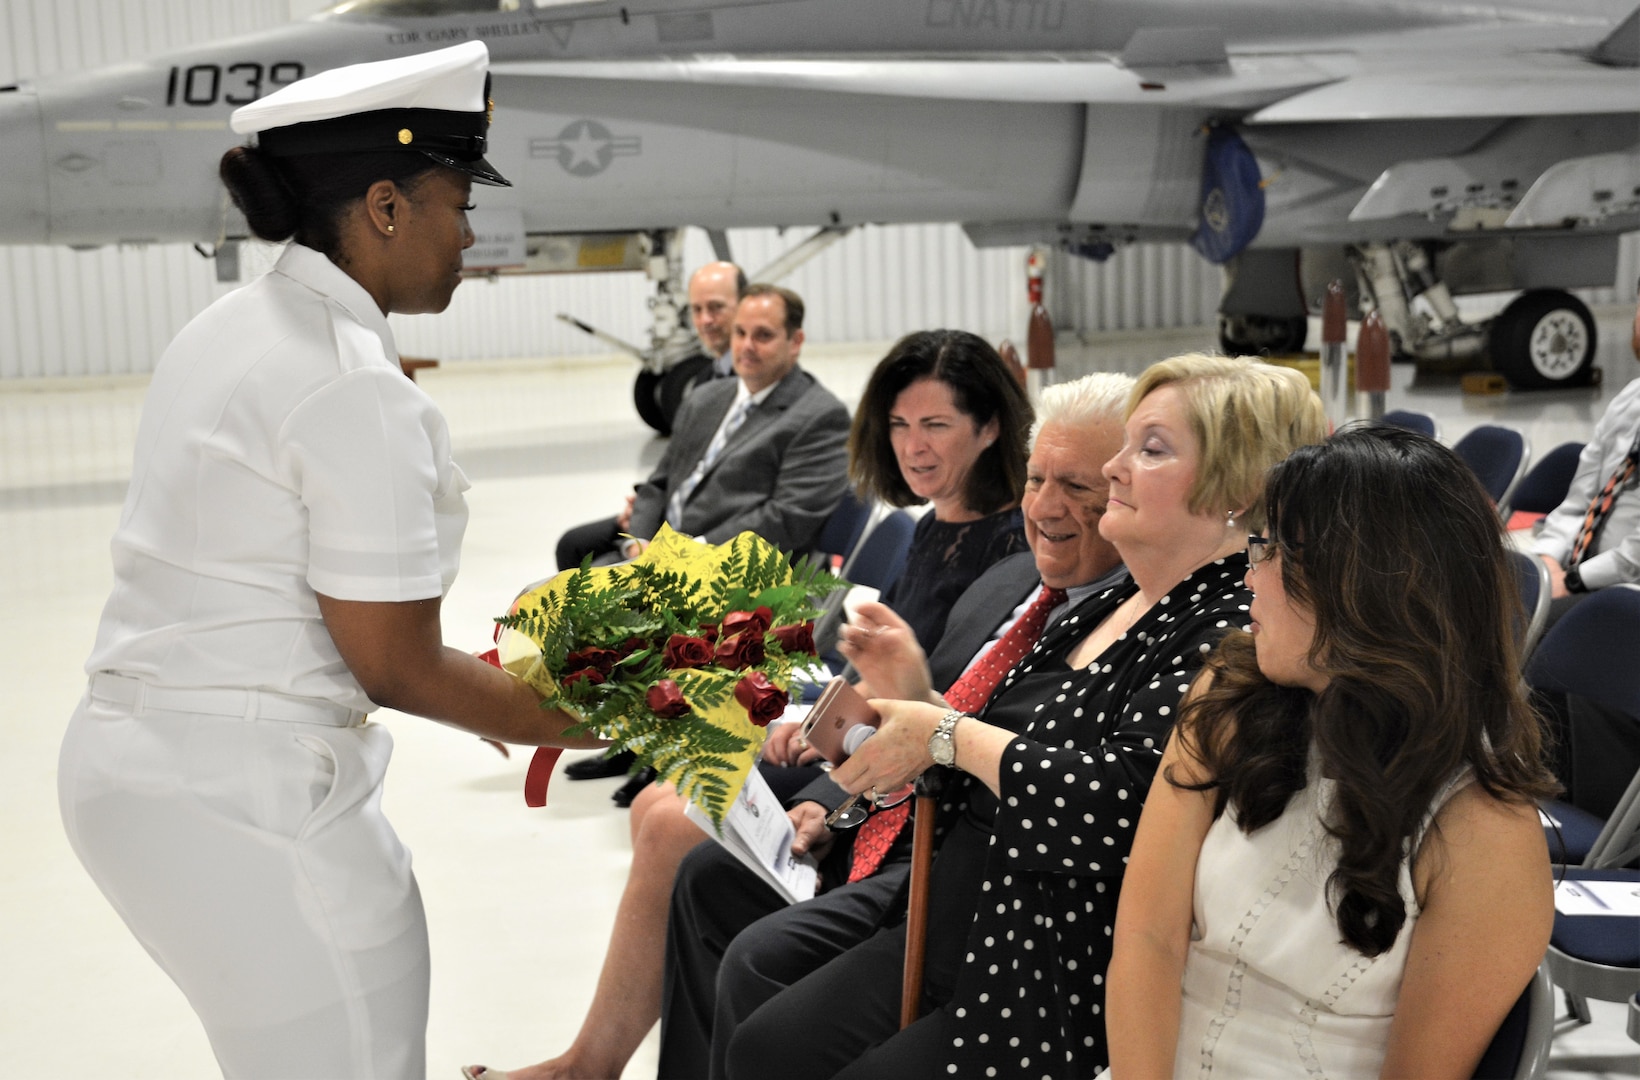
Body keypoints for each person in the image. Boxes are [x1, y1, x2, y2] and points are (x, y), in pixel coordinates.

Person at [55, 43, 602, 1079]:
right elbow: (391, 663)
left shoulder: (233, 326)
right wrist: (584, 718)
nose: (470, 233)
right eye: (456, 202)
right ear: (386, 207)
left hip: (142, 761)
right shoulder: (350, 382)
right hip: (243, 793)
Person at [702, 354, 1327, 1079]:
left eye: (1148, 450)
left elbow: (1120, 805)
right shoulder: (1117, 600)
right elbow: (997, 746)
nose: (1116, 470)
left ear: (1241, 487)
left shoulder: (1227, 626)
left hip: (1042, 968)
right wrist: (918, 724)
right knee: (765, 1046)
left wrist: (944, 733)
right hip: (966, 914)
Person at [464, 338, 1049, 1080]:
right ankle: (600, 1060)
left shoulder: (1010, 552)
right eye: (899, 425)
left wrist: (826, 742)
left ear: (991, 427)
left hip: (882, 776)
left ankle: (595, 1063)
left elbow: (939, 693)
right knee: (656, 811)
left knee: (675, 826)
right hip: (848, 745)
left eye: (936, 426)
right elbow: (878, 665)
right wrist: (812, 719)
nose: (913, 446)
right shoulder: (939, 522)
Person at [656, 371, 1135, 1079]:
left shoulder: (1122, 627)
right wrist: (828, 796)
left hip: (955, 859)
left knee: (761, 975)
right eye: (1037, 481)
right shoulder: (1008, 581)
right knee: (706, 875)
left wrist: (910, 714)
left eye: (1078, 488)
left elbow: (993, 757)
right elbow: (931, 714)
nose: (1045, 507)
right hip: (892, 811)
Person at [1107, 425, 1556, 1079]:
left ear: (1367, 591)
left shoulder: (1484, 832)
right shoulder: (1233, 691)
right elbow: (1147, 938)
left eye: (1273, 551)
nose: (1249, 574)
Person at [553, 284, 851, 571]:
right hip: (665, 545)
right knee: (573, 559)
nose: (747, 346)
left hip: (725, 567)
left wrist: (687, 554)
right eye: (740, 332)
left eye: (763, 335)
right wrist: (640, 543)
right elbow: (660, 482)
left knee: (583, 592)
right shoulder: (706, 397)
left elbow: (785, 519)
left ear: (795, 342)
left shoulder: (820, 417)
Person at [690, 260, 748, 378]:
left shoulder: (762, 379)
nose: (705, 320)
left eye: (716, 307)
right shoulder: (703, 381)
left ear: (744, 304)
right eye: (697, 309)